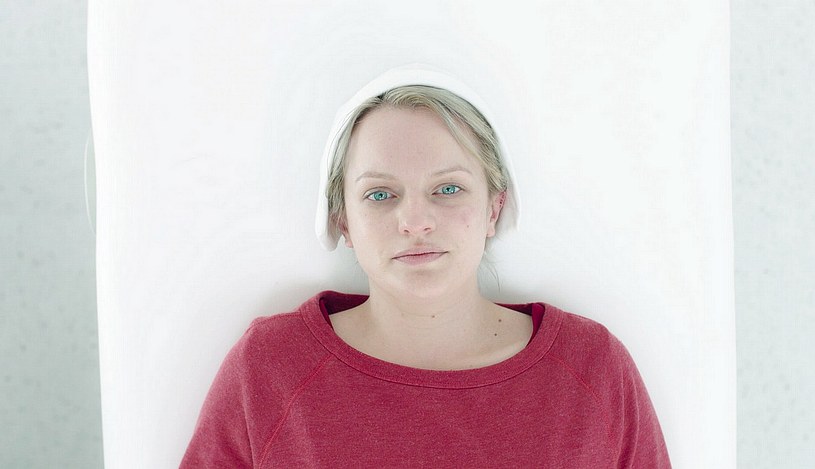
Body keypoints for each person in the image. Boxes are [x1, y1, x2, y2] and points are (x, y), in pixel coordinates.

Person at [180, 65, 672, 468]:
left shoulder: (594, 369)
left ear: (494, 207)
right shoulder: (269, 368)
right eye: (380, 194)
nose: (415, 221)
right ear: (343, 221)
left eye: (448, 189)